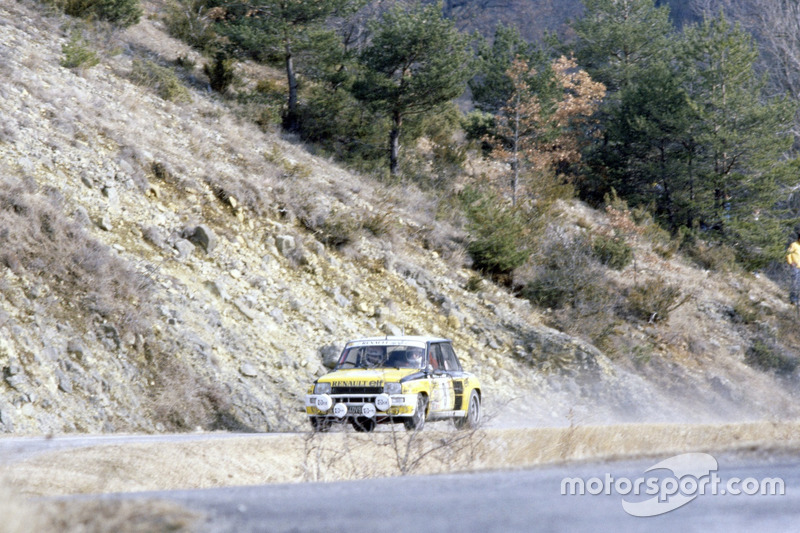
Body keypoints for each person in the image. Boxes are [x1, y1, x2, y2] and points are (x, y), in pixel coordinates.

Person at [786, 232, 800, 306]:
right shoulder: (794, 245)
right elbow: (788, 253)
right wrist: (790, 262)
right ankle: (793, 299)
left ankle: (797, 298)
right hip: (795, 267)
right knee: (795, 283)